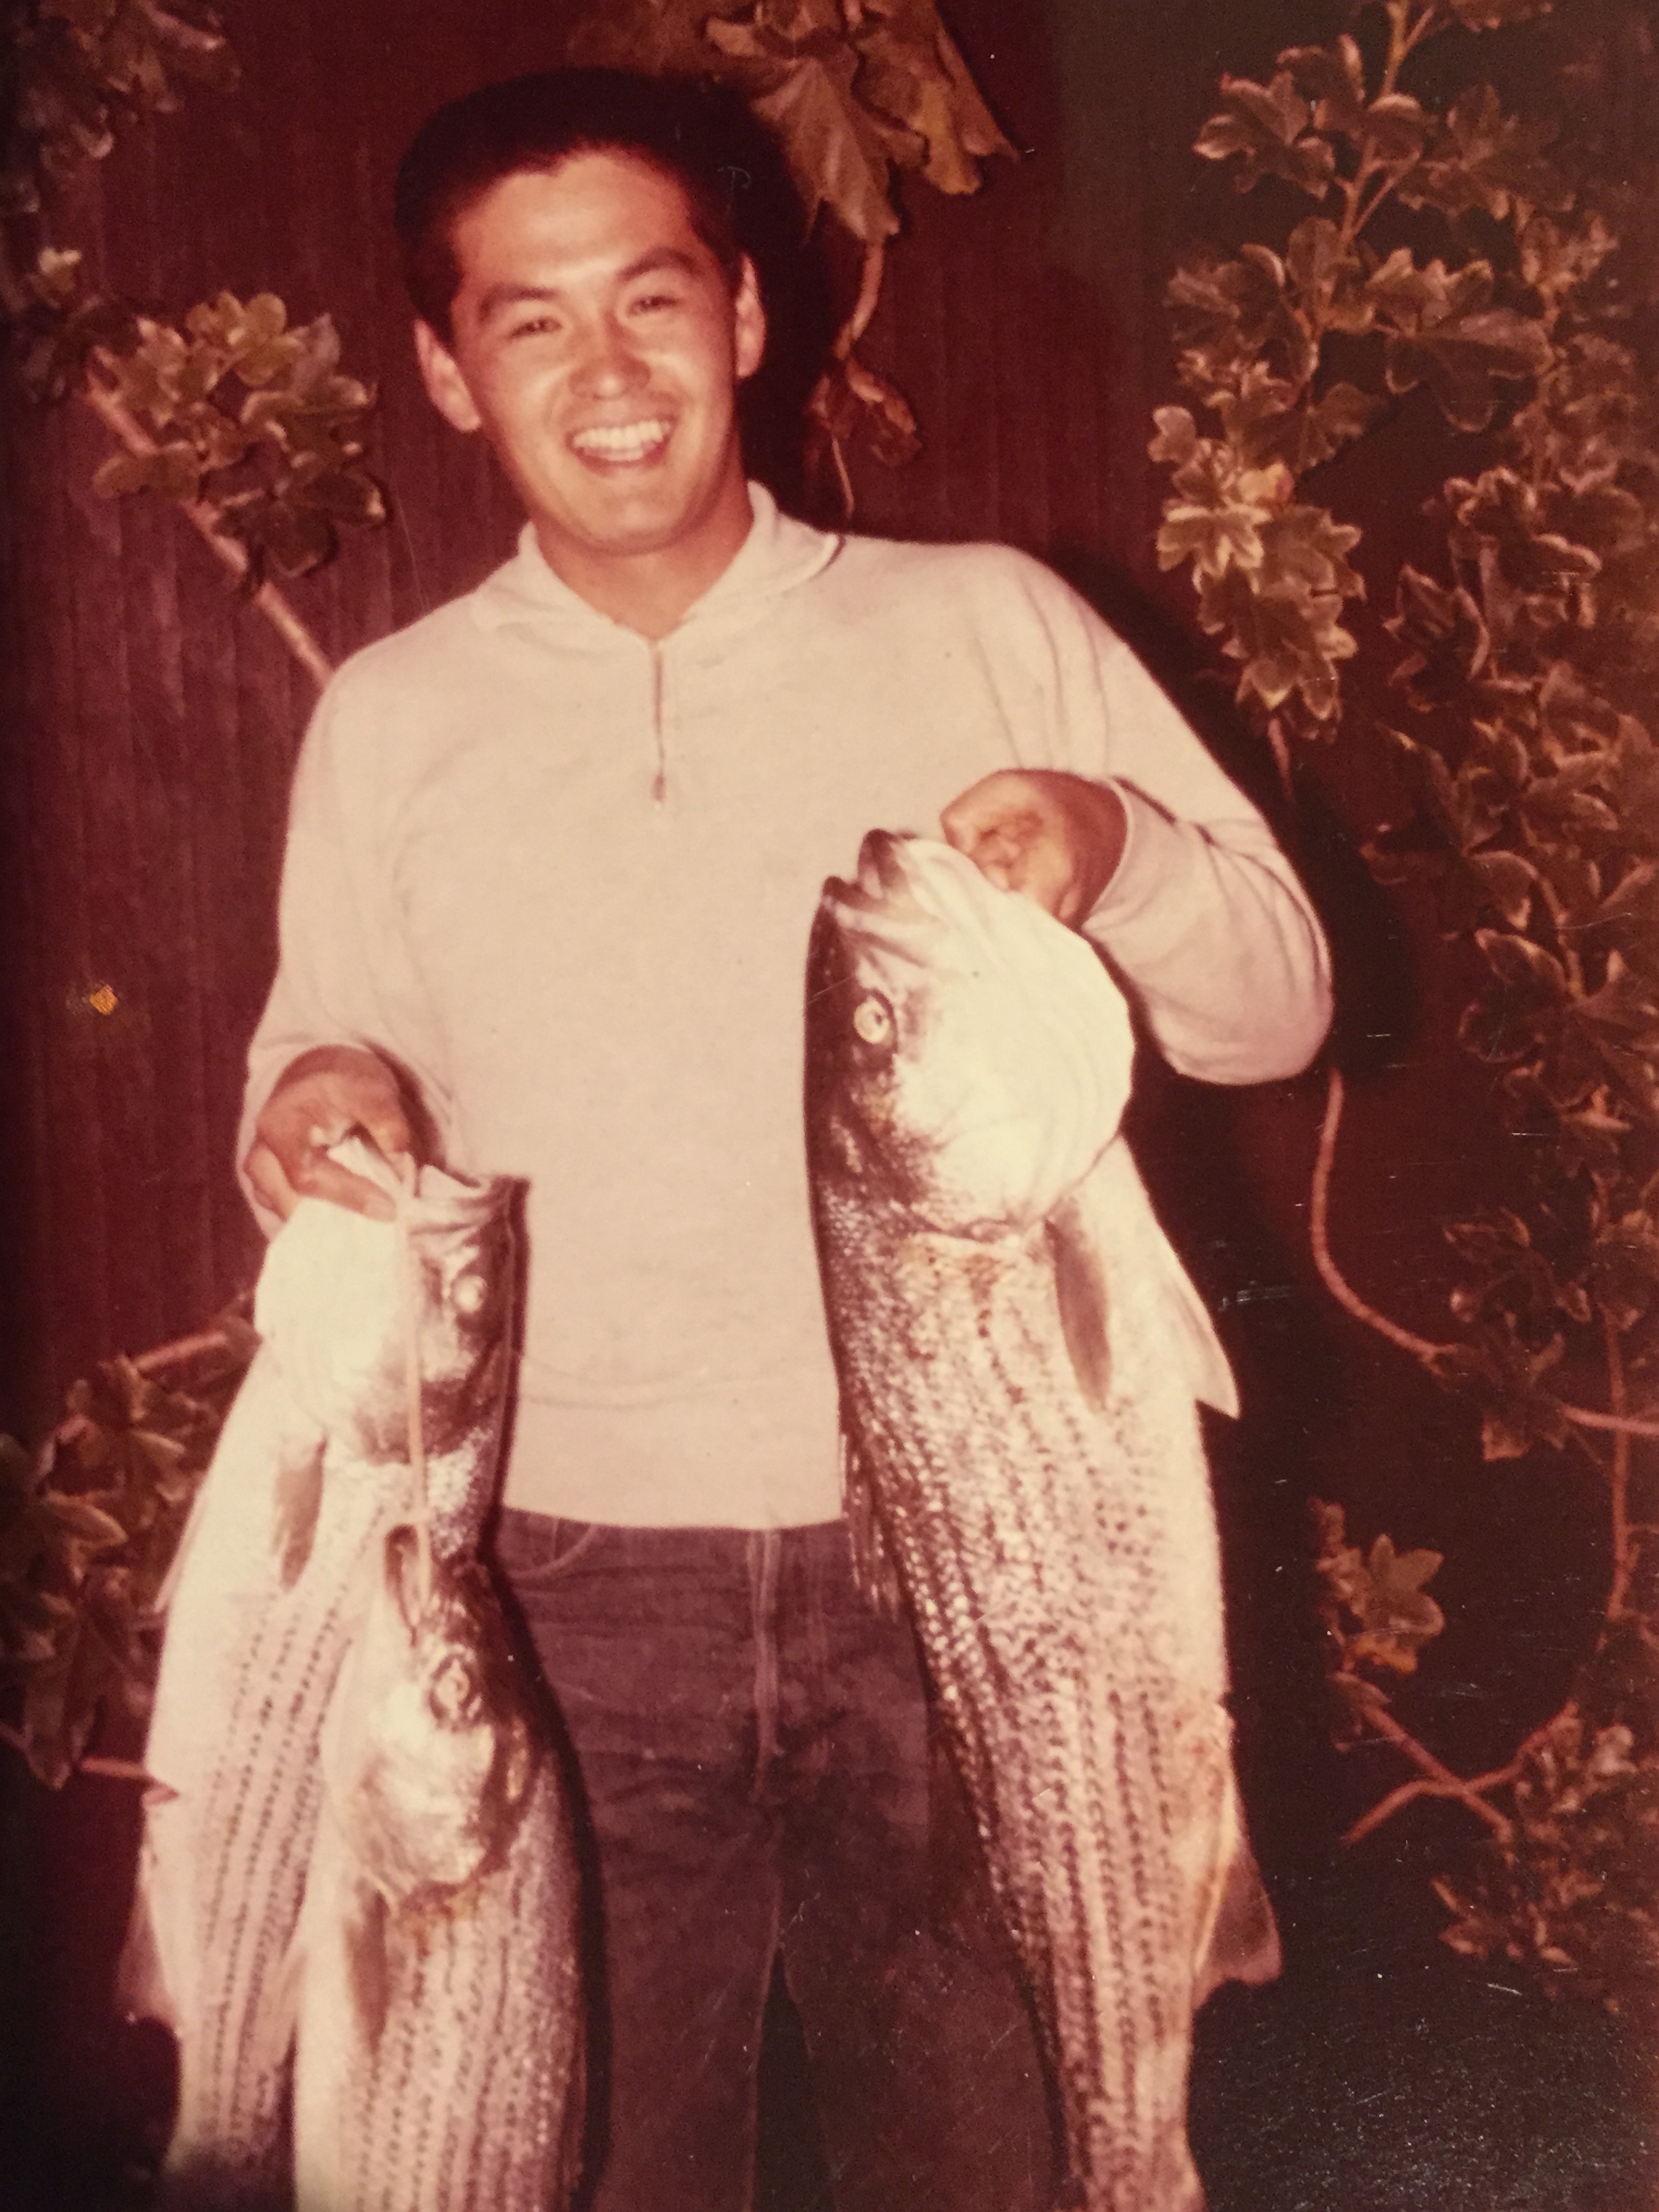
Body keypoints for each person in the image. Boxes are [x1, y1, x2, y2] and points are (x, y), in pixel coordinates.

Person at [239, 66, 1332, 2212]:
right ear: (449, 377)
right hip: (554, 1596)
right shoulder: (393, 717)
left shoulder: (986, 620)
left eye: (652, 300)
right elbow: (324, 1046)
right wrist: (308, 1105)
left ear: (748, 318)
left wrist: (1111, 842)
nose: (608, 370)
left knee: (1005, 2159)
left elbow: (1282, 997)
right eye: (530, 322)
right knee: (609, 2168)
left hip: (974, 1586)